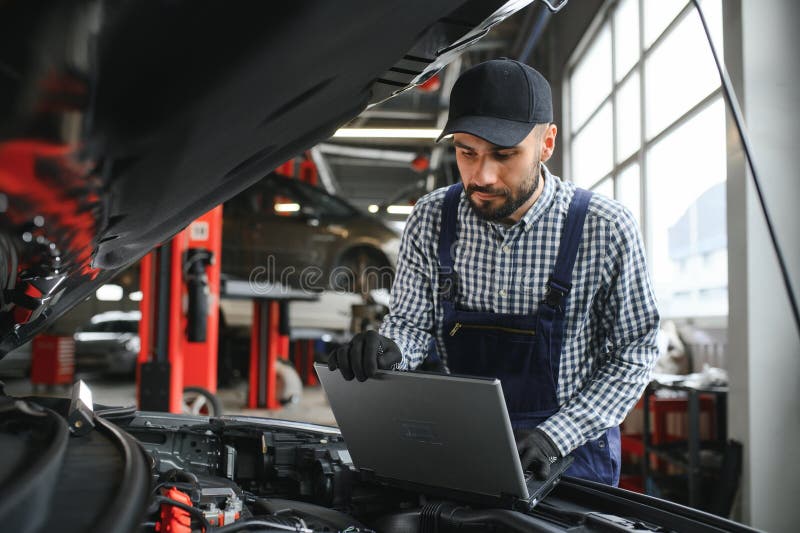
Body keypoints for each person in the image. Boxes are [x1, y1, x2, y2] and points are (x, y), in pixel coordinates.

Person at [328, 58, 659, 486]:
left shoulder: (605, 228)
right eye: (467, 152)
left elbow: (635, 351)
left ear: (546, 143)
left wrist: (554, 437)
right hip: (463, 441)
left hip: (571, 454)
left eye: (504, 155)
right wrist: (390, 349)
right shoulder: (431, 218)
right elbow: (412, 325)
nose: (482, 176)